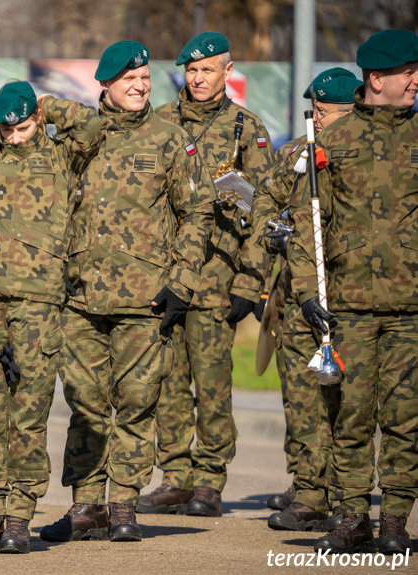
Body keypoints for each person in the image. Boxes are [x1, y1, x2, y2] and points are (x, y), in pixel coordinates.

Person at [40, 40, 216, 545]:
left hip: (146, 299)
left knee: (137, 403)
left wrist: (181, 281)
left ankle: (124, 506)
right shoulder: (75, 141)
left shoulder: (170, 138)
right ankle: (86, 507)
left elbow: (197, 213)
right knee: (85, 404)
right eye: (128, 80)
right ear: (106, 84)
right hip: (80, 299)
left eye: (145, 79)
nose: (140, 87)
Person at [0, 80, 106, 554]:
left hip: (38, 306)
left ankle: (19, 519)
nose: (13, 135)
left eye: (23, 126)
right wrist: (2, 104)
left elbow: (94, 124)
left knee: (28, 417)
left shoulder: (59, 155)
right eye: (5, 129)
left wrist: (44, 106)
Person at [288, 29, 418, 555]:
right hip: (351, 308)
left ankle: (394, 521)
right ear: (377, 78)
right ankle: (350, 517)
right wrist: (304, 294)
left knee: (407, 419)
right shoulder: (333, 144)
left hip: (411, 308)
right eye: (408, 72)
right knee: (350, 417)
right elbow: (306, 224)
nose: (417, 81)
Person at [140, 31, 274, 517]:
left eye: (207, 70)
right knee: (167, 382)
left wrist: (250, 280)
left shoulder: (246, 128)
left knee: (212, 384)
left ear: (228, 71)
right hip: (166, 274)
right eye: (191, 71)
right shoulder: (159, 122)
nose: (198, 78)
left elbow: (265, 211)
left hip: (218, 279)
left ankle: (209, 481)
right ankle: (175, 476)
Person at [249, 69, 361, 533]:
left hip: (350, 293)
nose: (318, 119)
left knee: (350, 403)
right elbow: (262, 201)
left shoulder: (362, 152)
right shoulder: (296, 151)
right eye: (313, 111)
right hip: (296, 295)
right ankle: (310, 492)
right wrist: (272, 232)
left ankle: (347, 495)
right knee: (301, 399)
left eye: (327, 112)